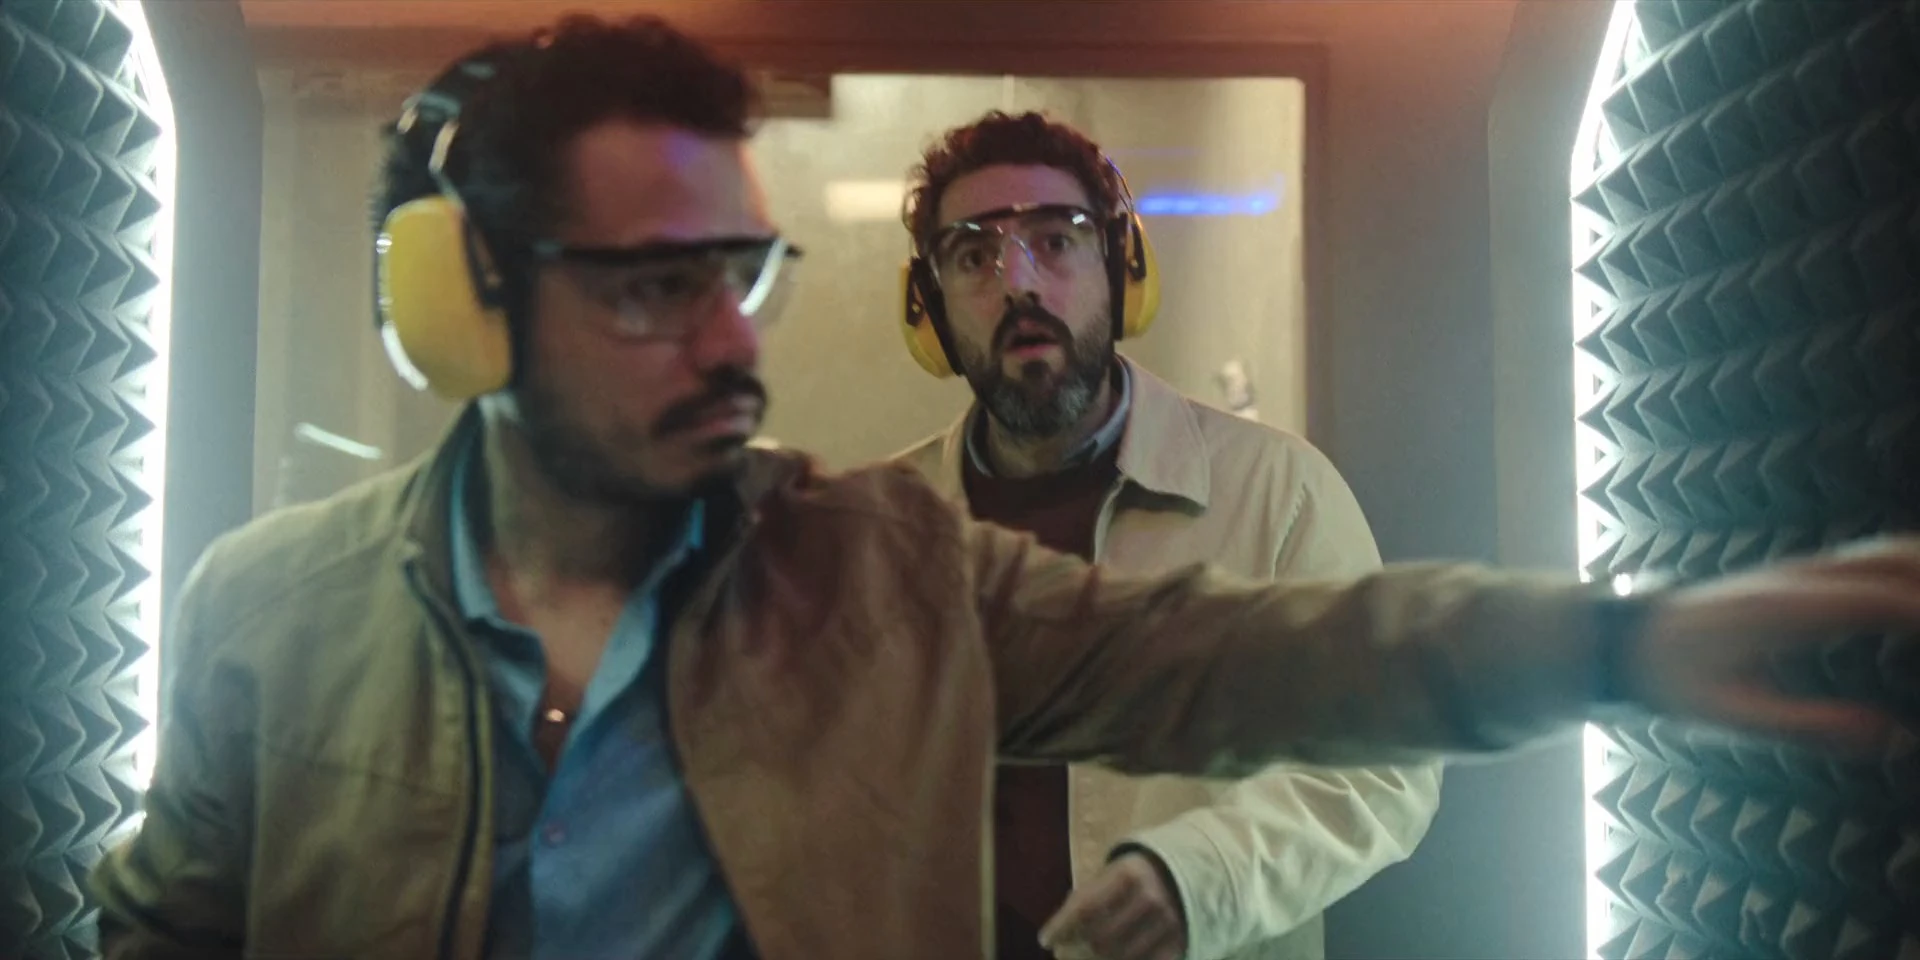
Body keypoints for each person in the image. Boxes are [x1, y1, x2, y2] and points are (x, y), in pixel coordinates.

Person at [89, 15, 1920, 960]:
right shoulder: (261, 612)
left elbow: (1266, 662)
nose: (731, 345)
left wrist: (1621, 643)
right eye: (656, 286)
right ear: (464, 299)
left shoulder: (876, 564)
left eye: (745, 276)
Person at [891, 112, 1440, 960]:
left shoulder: (1277, 494)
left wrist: (1197, 879)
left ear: (1121, 268)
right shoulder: (883, 530)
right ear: (928, 310)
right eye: (973, 258)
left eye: (1056, 241)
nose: (1019, 285)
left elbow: (1381, 766)